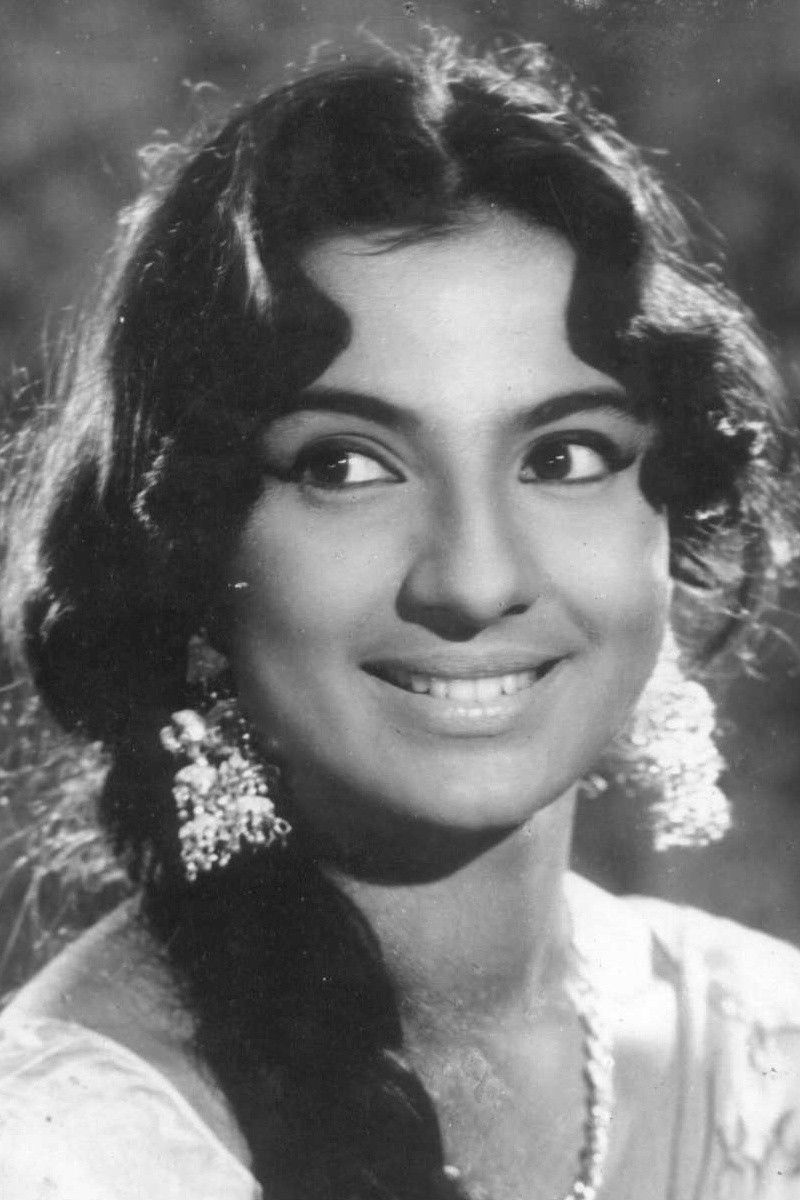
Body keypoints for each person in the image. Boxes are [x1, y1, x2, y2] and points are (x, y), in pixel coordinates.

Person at [1, 34, 799, 1200]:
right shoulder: (54, 1155)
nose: (472, 580)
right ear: (190, 548)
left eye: (563, 455)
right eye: (344, 466)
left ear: (670, 519)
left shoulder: (766, 1053)